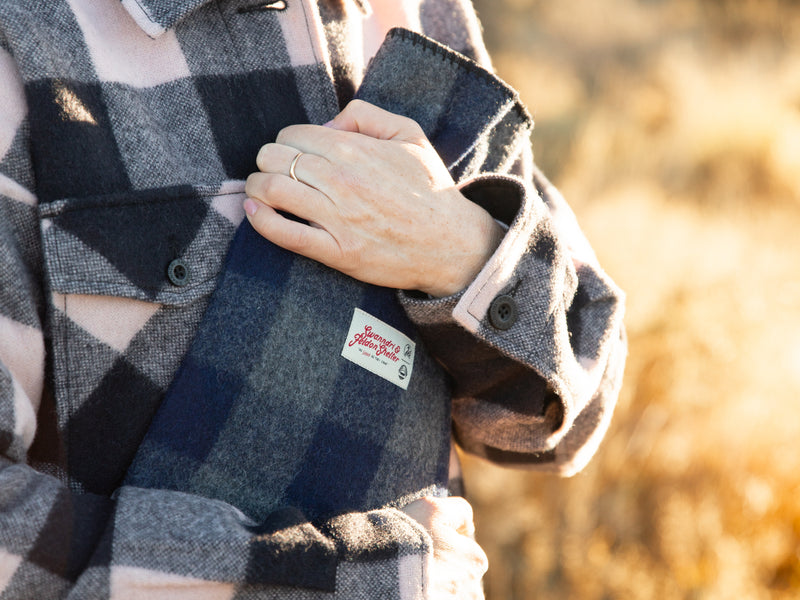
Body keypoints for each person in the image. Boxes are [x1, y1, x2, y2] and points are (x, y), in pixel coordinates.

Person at [0, 0, 626, 598]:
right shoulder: (23, 45)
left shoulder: (414, 15)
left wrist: (461, 251)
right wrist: (386, 582)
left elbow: (563, 424)